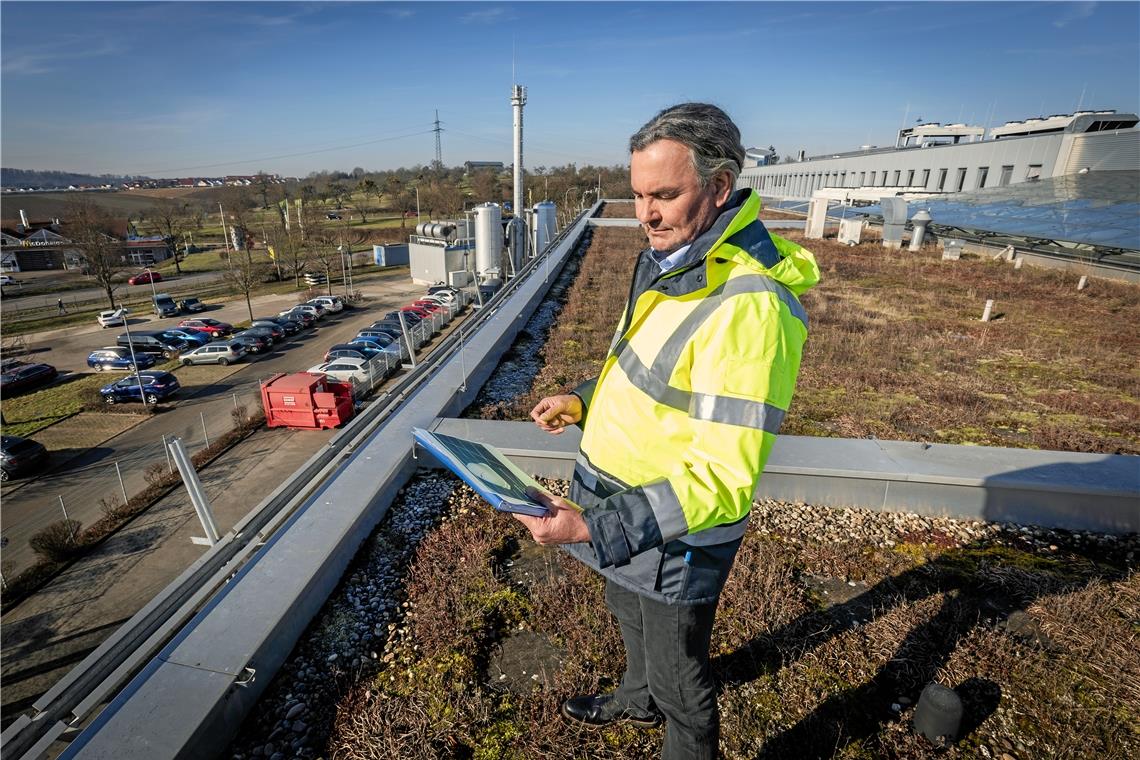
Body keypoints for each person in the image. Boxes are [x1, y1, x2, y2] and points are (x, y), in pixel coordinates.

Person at [514, 102, 819, 759]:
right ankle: (635, 698)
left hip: (672, 539)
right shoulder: (676, 258)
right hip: (620, 506)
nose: (644, 214)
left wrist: (597, 527)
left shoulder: (750, 307)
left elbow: (722, 479)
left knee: (682, 678)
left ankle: (675, 728)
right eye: (636, 195)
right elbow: (651, 371)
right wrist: (585, 399)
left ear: (719, 185)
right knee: (626, 617)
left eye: (664, 194)